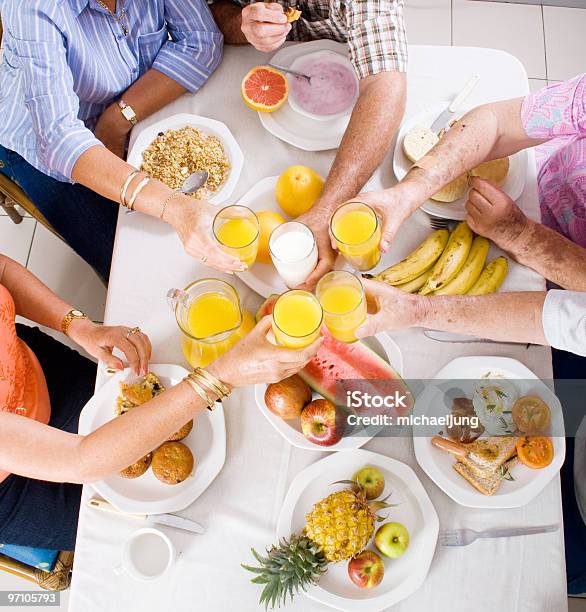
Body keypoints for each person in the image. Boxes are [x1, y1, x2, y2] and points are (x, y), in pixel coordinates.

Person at [0, 253, 321, 551]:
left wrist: (77, 324)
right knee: (124, 534)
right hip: (17, 490)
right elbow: (81, 459)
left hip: (36, 370)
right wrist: (220, 376)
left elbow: (1, 270)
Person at [0, 0, 241, 282]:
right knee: (135, 272)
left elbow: (201, 40)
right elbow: (58, 137)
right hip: (41, 145)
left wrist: (117, 120)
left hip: (123, 104)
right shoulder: (31, 6)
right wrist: (173, 207)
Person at [210, 0, 407, 287]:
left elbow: (386, 88)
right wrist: (242, 24)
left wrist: (328, 209)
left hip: (354, 119)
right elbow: (209, 14)